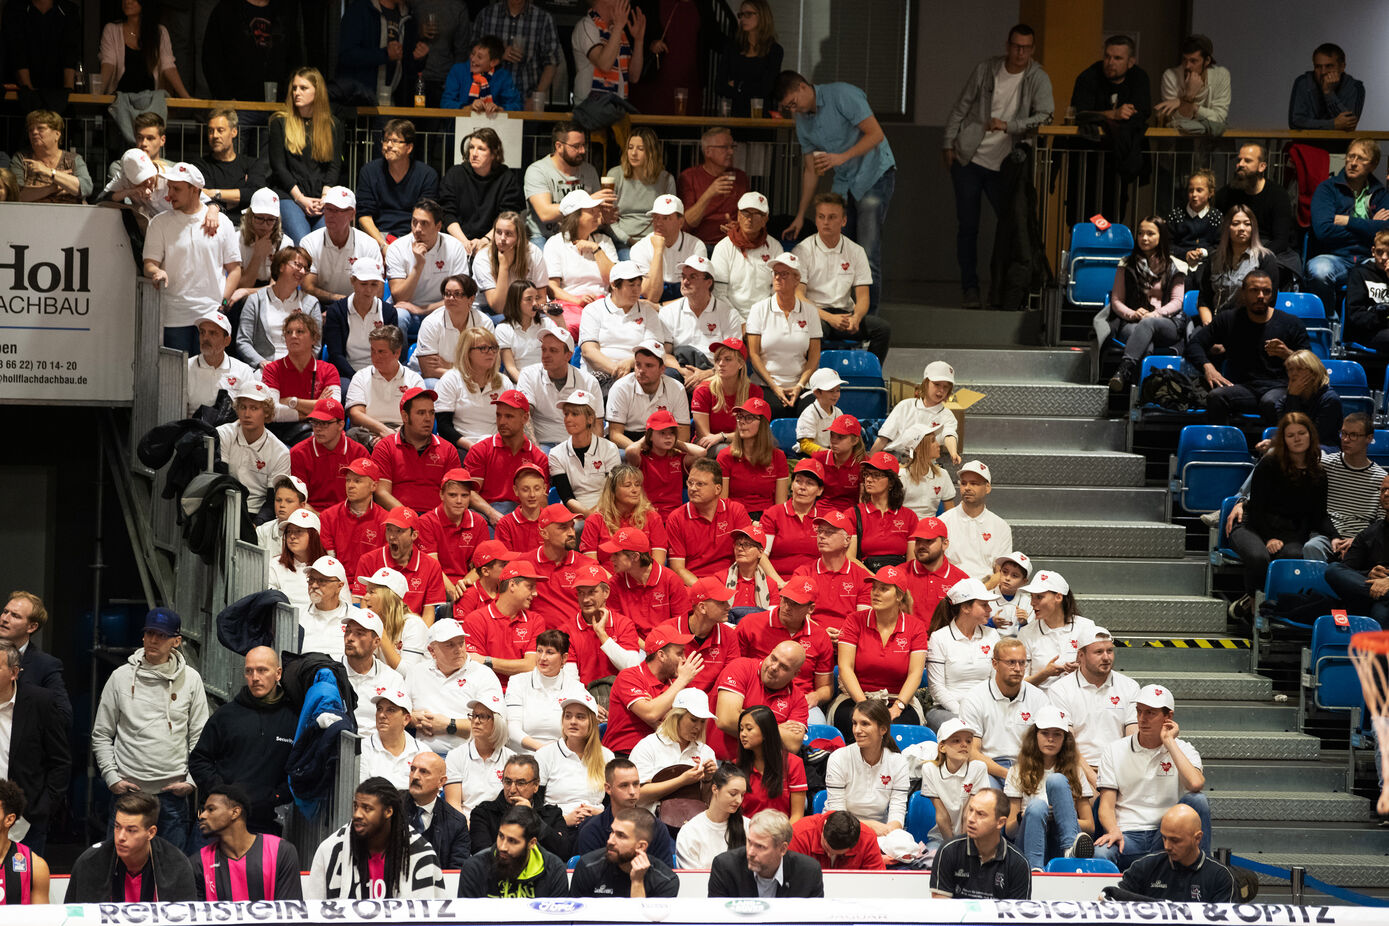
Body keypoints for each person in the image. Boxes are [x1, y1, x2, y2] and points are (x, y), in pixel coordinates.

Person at [942, 24, 1052, 309]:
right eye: (1016, 46)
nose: (1020, 52)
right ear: (1007, 45)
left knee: (1013, 226)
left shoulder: (1037, 77)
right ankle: (970, 288)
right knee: (968, 226)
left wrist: (1010, 125)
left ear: (1033, 49)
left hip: (1006, 165)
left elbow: (1045, 116)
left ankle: (1006, 289)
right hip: (969, 158)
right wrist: (948, 143)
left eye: (1026, 47)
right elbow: (961, 106)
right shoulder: (986, 69)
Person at [92, 608, 208, 852]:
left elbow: (200, 737)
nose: (154, 640)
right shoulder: (120, 677)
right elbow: (102, 733)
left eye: (162, 636)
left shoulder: (191, 679)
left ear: (176, 641)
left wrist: (191, 781)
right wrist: (112, 778)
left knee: (171, 877)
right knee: (117, 870)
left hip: (172, 797)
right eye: (150, 634)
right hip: (127, 793)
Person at [776, 69, 896, 305]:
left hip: (874, 174)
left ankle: (867, 324)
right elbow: (810, 170)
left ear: (802, 87)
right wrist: (800, 215)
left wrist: (842, 157)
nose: (793, 109)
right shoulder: (802, 121)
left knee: (867, 254)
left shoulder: (842, 94)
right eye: (787, 107)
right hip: (845, 182)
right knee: (839, 251)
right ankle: (844, 315)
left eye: (793, 102)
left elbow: (876, 134)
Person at [1094, 684, 1210, 872]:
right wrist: (1113, 829)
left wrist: (1169, 743)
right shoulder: (1114, 750)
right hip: (1127, 835)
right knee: (1100, 854)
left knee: (1198, 800)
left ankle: (1203, 876)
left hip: (1167, 835)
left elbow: (1196, 784)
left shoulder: (1184, 749)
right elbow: (1105, 805)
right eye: (1139, 712)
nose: (1142, 719)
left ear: (1168, 717)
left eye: (1150, 713)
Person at [1226, 413, 1331, 619]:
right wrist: (1269, 538)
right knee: (1259, 557)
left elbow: (1316, 516)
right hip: (1252, 525)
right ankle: (1254, 604)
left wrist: (1335, 537)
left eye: (1302, 433)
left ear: (1311, 436)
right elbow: (1256, 508)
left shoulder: (1318, 473)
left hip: (1290, 531)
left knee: (1292, 556)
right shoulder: (1269, 464)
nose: (1297, 438)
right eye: (1290, 435)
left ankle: (1272, 607)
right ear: (1283, 439)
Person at [187, 647, 297, 834]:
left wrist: (275, 796)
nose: (255, 677)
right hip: (218, 822)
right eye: (249, 671)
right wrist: (222, 792)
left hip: (263, 824)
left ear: (278, 673)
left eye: (262, 670)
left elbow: (298, 770)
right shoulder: (227, 715)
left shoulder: (292, 719)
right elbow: (199, 760)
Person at [1187, 270, 1310, 425]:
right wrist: (1208, 368)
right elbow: (1194, 345)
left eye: (1266, 291)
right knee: (1216, 396)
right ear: (1243, 293)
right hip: (1244, 388)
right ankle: (1222, 445)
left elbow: (1311, 363)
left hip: (1280, 387)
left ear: (1272, 295)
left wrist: (1289, 354)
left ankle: (1277, 447)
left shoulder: (1291, 323)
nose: (1260, 296)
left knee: (1270, 402)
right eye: (1254, 290)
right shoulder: (1228, 319)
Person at [143, 163, 242, 352]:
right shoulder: (159, 223)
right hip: (173, 316)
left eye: (177, 189)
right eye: (169, 187)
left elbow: (235, 269)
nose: (169, 194)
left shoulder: (223, 223)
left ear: (195, 190)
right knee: (173, 377)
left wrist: (222, 303)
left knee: (208, 375)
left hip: (210, 315)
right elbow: (149, 264)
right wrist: (156, 272)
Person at [792, 192, 891, 361]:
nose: (825, 222)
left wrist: (856, 317)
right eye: (821, 217)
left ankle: (869, 374)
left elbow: (863, 297)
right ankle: (810, 380)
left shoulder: (856, 251)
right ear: (816, 219)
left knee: (882, 329)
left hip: (845, 313)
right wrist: (829, 318)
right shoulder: (803, 250)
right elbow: (798, 295)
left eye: (832, 217)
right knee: (814, 331)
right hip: (817, 314)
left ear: (843, 221)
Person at [307, 777, 443, 899]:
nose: (357, 815)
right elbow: (313, 912)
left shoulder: (420, 852)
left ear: (388, 812)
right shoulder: (330, 850)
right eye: (356, 807)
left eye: (367, 808)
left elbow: (430, 915)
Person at [1068, 35, 1150, 221]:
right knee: (1082, 210)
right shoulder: (1089, 76)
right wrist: (1112, 114)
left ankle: (1110, 246)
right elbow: (1080, 113)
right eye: (1107, 56)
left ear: (1130, 62)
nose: (1110, 62)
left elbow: (1143, 111)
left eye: (1117, 58)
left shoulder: (1139, 78)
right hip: (1087, 157)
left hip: (1119, 158)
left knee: (1114, 211)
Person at [1045, 626, 1138, 789]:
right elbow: (1068, 745)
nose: (1106, 657)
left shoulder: (1130, 687)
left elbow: (1133, 738)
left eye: (1110, 651)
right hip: (1077, 768)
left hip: (1119, 768)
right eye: (1099, 652)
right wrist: (1096, 781)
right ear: (1081, 655)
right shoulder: (1060, 689)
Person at [1003, 705, 1096, 870]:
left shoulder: (1076, 771)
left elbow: (1090, 826)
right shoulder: (1017, 771)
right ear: (1035, 736)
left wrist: (1061, 816)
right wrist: (1024, 816)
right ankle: (1034, 868)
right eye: (1045, 733)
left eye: (1057, 734)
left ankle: (1070, 850)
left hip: (1060, 837)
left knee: (1057, 780)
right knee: (1037, 807)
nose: (1050, 739)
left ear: (1064, 739)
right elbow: (1010, 831)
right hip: (1028, 836)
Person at [834, 568, 927, 732]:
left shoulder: (915, 627)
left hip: (898, 699)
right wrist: (864, 705)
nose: (875, 593)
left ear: (899, 596)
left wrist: (898, 706)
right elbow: (844, 667)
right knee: (854, 723)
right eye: (874, 588)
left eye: (883, 589)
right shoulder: (854, 621)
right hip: (856, 697)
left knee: (897, 728)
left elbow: (916, 674)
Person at [1308, 138, 1389, 319]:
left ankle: (1372, 325)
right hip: (1335, 257)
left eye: (1361, 158)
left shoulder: (1381, 194)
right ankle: (1329, 322)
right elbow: (1324, 231)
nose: (1353, 163)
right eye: (1350, 156)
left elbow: (1387, 231)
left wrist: (1348, 221)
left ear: (1374, 164)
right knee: (1318, 270)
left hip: (1371, 258)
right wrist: (1370, 228)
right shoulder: (1327, 189)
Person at [67, 791, 198, 902]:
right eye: (117, 827)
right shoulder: (91, 862)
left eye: (131, 830)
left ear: (151, 832)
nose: (120, 837)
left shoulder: (176, 864)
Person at [1105, 215, 1186, 393]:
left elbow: (1177, 301)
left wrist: (1155, 315)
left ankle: (1123, 371)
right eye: (1141, 233)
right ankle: (1141, 395)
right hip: (1133, 322)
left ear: (1161, 237)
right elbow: (1117, 300)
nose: (1144, 238)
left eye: (1150, 233)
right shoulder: (1126, 264)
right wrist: (1132, 314)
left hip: (1167, 323)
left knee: (1148, 323)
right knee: (1145, 343)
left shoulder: (1176, 266)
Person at [959, 637, 1050, 788]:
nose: (1018, 668)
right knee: (989, 797)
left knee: (1038, 807)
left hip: (1028, 766)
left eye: (1022, 662)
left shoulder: (1039, 698)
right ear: (995, 664)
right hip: (990, 769)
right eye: (1011, 662)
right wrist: (1008, 774)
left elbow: (1046, 746)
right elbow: (972, 753)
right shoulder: (974, 698)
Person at [267, 67, 344, 244]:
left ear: (317, 93)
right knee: (303, 241)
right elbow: (279, 167)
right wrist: (301, 199)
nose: (297, 93)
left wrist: (325, 198)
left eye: (303, 88)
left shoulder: (333, 125)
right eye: (294, 88)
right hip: (290, 195)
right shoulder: (280, 122)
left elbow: (334, 167)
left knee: (324, 241)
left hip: (320, 197)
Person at [406, 617, 504, 754]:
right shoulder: (416, 672)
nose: (459, 649)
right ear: (432, 651)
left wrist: (449, 725)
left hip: (470, 757)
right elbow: (399, 713)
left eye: (461, 643)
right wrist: (411, 718)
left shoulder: (483, 674)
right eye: (450, 645)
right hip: (421, 756)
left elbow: (496, 726)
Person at [190, 785, 303, 901]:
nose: (202, 816)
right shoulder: (198, 863)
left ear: (235, 812)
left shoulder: (281, 852)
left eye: (211, 809)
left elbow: (290, 912)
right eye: (203, 810)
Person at [603, 624, 704, 754]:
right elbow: (651, 714)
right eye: (679, 653)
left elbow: (681, 729)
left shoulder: (675, 683)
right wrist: (682, 681)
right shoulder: (629, 676)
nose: (684, 659)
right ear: (661, 655)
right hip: (624, 755)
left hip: (664, 755)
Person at [745, 253, 821, 418]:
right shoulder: (759, 309)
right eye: (776, 273)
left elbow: (814, 355)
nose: (778, 278)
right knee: (773, 410)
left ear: (797, 279)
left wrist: (800, 385)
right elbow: (754, 354)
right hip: (765, 385)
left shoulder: (810, 312)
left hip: (801, 386)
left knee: (812, 413)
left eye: (784, 274)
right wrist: (774, 387)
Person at [1212, 143, 1300, 281]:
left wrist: (1251, 257)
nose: (1240, 164)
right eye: (1239, 160)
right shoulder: (1229, 193)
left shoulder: (1278, 195)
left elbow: (1281, 241)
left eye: (1247, 160)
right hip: (1235, 247)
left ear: (1262, 167)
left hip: (1267, 249)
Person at [385, 200, 470, 338]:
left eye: (424, 223)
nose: (417, 229)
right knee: (399, 316)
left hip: (442, 310)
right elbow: (399, 298)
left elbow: (460, 297)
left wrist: (423, 310)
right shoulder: (397, 248)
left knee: (464, 314)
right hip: (407, 310)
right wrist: (418, 265)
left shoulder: (455, 248)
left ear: (438, 226)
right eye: (414, 222)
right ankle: (399, 360)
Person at [925, 578, 1003, 727]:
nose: (990, 610)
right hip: (948, 710)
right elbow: (937, 688)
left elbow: (996, 680)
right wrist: (963, 713)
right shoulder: (940, 637)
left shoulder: (992, 635)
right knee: (963, 727)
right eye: (984, 605)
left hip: (985, 708)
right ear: (966, 608)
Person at [824, 699, 909, 836]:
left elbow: (897, 812)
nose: (857, 730)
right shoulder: (838, 758)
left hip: (882, 831)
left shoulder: (899, 762)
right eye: (854, 723)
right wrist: (871, 827)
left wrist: (891, 832)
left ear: (883, 729)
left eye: (865, 724)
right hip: (840, 831)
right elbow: (837, 815)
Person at [368, 384, 461, 508]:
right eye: (421, 413)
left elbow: (455, 495)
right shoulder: (385, 447)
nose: (428, 418)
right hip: (398, 520)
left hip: (436, 521)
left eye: (431, 412)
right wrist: (408, 517)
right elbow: (381, 493)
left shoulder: (448, 449)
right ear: (405, 417)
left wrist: (431, 522)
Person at [929, 789, 1030, 899]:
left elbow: (1017, 913)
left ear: (1000, 822)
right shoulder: (948, 851)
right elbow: (941, 908)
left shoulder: (1018, 863)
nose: (971, 818)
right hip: (955, 916)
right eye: (971, 810)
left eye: (980, 814)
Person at [459, 559, 545, 688]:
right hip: (486, 693)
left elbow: (531, 665)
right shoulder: (476, 619)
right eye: (530, 587)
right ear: (512, 585)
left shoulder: (536, 620)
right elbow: (476, 668)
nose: (535, 593)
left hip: (525, 693)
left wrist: (487, 661)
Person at [630, 688, 718, 814]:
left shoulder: (706, 752)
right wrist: (682, 781)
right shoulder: (648, 746)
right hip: (651, 824)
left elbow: (708, 804)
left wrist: (708, 780)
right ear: (676, 717)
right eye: (693, 719)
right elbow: (637, 796)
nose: (698, 727)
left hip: (693, 824)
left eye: (703, 721)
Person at [356, 120, 441, 250]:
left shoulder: (427, 175)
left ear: (409, 147)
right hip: (377, 237)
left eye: (395, 141)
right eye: (385, 140)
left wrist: (402, 246)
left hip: (414, 236)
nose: (388, 145)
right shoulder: (369, 171)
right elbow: (364, 215)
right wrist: (383, 245)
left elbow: (425, 216)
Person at [714, 645, 808, 761]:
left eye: (783, 667)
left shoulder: (798, 699)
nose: (774, 667)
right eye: (773, 658)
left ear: (795, 674)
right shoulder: (741, 667)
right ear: (770, 652)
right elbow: (726, 720)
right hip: (717, 762)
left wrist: (744, 716)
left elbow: (792, 745)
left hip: (761, 769)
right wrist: (774, 726)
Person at [468, 754, 571, 860]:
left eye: (520, 783)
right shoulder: (483, 813)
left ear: (536, 786)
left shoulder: (553, 814)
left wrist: (533, 818)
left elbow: (563, 853)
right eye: (508, 782)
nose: (512, 790)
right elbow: (482, 856)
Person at [667, 458, 754, 584]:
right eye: (690, 483)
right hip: (695, 584)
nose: (693, 488)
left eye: (700, 484)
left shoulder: (736, 511)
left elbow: (749, 556)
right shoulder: (676, 518)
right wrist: (705, 590)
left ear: (717, 489)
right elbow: (678, 569)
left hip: (732, 580)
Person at [352, 504, 448, 616]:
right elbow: (363, 604)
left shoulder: (431, 566)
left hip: (412, 627)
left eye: (399, 531)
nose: (392, 536)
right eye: (389, 530)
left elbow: (429, 612)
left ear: (414, 535)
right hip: (377, 627)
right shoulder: (368, 560)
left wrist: (419, 632)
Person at [201, 0, 300, 108]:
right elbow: (210, 58)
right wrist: (226, 98)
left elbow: (295, 59)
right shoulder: (226, 10)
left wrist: (289, 97)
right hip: (237, 107)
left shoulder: (284, 12)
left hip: (279, 106)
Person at [455, 805, 568, 898]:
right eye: (501, 836)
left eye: (512, 841)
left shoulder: (554, 870)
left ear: (531, 843)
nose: (503, 847)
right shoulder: (475, 868)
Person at [442, 133, 526, 258]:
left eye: (481, 149)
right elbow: (447, 213)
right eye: (471, 147)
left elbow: (509, 216)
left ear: (493, 154)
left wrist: (485, 240)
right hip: (457, 240)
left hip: (494, 241)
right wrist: (464, 242)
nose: (474, 153)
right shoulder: (455, 174)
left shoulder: (506, 177)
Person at [572, 758, 676, 859]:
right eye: (624, 785)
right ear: (608, 788)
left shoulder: (656, 828)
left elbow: (667, 874)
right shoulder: (592, 831)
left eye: (636, 784)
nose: (632, 791)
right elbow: (590, 874)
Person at [707, 809, 823, 897]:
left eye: (760, 846)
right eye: (749, 842)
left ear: (782, 849)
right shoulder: (725, 867)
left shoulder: (808, 872)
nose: (751, 852)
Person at [790, 510, 870, 639]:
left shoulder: (862, 577)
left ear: (847, 541)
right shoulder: (803, 573)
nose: (821, 536)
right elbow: (799, 617)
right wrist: (822, 634)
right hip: (811, 638)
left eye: (829, 532)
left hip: (851, 640)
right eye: (819, 531)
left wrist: (845, 636)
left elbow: (863, 620)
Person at [303, 188, 386, 310]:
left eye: (338, 210)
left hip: (359, 306)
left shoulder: (369, 245)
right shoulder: (309, 242)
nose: (331, 215)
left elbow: (378, 291)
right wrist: (338, 299)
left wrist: (348, 305)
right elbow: (308, 288)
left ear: (352, 214)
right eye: (328, 209)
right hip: (320, 304)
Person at [525, 121, 607, 244]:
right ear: (559, 146)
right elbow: (545, 213)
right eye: (576, 146)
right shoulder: (538, 171)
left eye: (584, 145)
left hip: (581, 235)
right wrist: (586, 202)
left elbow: (596, 214)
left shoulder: (589, 170)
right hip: (543, 236)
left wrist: (606, 217)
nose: (582, 151)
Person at [1195, 205, 1279, 324]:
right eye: (1235, 224)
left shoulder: (1265, 258)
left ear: (1253, 228)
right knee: (1195, 340)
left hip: (1250, 325)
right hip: (1216, 323)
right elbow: (1204, 299)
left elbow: (1269, 302)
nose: (1241, 228)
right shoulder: (1214, 258)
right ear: (1227, 228)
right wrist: (1210, 327)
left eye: (1247, 224)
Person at [433, 327, 514, 449]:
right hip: (461, 445)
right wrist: (472, 447)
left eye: (493, 348)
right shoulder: (451, 379)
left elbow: (512, 423)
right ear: (467, 353)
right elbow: (444, 426)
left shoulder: (504, 382)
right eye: (483, 348)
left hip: (496, 446)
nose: (491, 352)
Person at [548, 191, 621, 325]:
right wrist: (577, 300)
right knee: (574, 325)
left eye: (597, 210)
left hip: (603, 303)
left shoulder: (604, 241)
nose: (597, 214)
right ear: (575, 217)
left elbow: (614, 280)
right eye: (591, 211)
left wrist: (595, 248)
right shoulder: (555, 243)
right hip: (570, 304)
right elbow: (552, 288)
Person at [570, 807, 678, 897]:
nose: (610, 841)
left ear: (641, 846)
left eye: (621, 836)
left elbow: (641, 922)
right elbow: (576, 919)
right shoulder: (588, 866)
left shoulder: (665, 881)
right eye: (612, 832)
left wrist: (637, 882)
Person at [711, 191, 783, 322]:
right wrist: (740, 322)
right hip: (730, 318)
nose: (750, 219)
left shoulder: (775, 247)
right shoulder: (723, 247)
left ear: (765, 219)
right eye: (746, 213)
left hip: (766, 317)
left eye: (756, 214)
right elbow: (718, 294)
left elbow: (778, 292)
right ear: (738, 216)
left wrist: (762, 320)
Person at [0, 591, 71, 726]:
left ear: (32, 627)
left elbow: (63, 716)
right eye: (5, 612)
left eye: (15, 616)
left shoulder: (45, 664)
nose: (4, 618)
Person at [1015, 570, 1094, 689]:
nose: (1032, 603)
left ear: (1058, 597)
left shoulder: (1086, 627)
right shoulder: (1026, 633)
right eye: (1031, 597)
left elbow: (1099, 672)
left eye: (1039, 597)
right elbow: (1019, 684)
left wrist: (1082, 670)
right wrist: (1045, 673)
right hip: (1040, 702)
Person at [602, 527, 685, 640]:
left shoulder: (671, 580)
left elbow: (681, 625)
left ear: (635, 557)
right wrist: (647, 648)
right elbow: (619, 628)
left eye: (616, 554)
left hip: (667, 646)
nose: (611, 559)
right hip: (633, 646)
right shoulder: (614, 584)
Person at [871, 360, 961, 464]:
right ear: (926, 383)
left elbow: (949, 435)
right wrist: (869, 459)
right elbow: (884, 437)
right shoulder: (905, 406)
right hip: (894, 460)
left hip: (925, 463)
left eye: (946, 387)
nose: (941, 390)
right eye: (937, 384)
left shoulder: (947, 415)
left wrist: (953, 453)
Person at [920, 718, 990, 849]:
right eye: (956, 740)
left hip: (972, 836)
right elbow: (942, 815)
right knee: (934, 860)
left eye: (969, 741)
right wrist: (952, 848)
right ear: (942, 747)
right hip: (942, 837)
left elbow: (968, 814)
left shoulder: (978, 768)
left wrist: (962, 848)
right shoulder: (929, 769)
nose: (964, 744)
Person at [416, 468, 488, 593]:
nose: (459, 501)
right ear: (441, 495)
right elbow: (432, 567)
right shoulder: (426, 522)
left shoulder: (479, 522)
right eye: (453, 495)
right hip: (434, 586)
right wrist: (454, 592)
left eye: (464, 495)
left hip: (467, 586)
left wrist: (463, 589)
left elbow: (481, 566)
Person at [550, 392, 623, 516]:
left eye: (575, 414)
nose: (568, 419)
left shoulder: (609, 448)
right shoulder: (556, 454)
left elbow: (611, 491)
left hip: (607, 508)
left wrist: (596, 517)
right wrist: (589, 516)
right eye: (566, 414)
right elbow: (567, 497)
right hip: (574, 513)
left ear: (590, 418)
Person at [442, 691, 514, 816]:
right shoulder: (456, 756)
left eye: (483, 716)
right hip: (465, 826)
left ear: (498, 721)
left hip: (502, 827)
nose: (476, 721)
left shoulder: (512, 759)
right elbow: (453, 805)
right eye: (474, 715)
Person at [97, 0, 190, 96]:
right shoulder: (112, 30)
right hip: (120, 99)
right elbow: (108, 63)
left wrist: (187, 98)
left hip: (151, 100)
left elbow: (168, 66)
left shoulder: (159, 32)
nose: (127, 1)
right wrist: (96, 95)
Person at [337, 0, 420, 107]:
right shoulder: (360, 10)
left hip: (393, 102)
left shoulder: (408, 18)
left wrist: (419, 58)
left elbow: (408, 66)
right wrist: (384, 55)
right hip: (358, 101)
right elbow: (346, 55)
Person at [938, 461, 1012, 581]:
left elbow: (1001, 572)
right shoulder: (943, 521)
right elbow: (936, 566)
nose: (967, 488)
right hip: (951, 587)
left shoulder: (1001, 527)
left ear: (987, 487)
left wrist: (983, 591)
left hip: (987, 590)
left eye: (974, 483)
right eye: (963, 483)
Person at [290, 398, 368, 511]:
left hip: (348, 514)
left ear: (341, 425)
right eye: (315, 422)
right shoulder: (298, 453)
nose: (318, 429)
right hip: (311, 516)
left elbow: (363, 499)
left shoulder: (359, 453)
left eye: (325, 423)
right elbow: (298, 500)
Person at [679, 127, 751, 249]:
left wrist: (739, 227)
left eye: (732, 147)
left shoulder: (740, 177)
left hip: (733, 244)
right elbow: (686, 223)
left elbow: (750, 217)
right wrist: (710, 193)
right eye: (725, 147)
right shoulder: (689, 177)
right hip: (699, 245)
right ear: (708, 152)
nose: (731, 152)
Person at [603, 340, 688, 444]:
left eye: (649, 366)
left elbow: (684, 432)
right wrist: (641, 453)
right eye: (638, 364)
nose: (641, 371)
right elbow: (615, 434)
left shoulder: (677, 388)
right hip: (628, 440)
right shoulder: (620, 387)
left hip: (663, 439)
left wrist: (665, 452)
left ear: (662, 369)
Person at [580, 466, 668, 564]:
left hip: (643, 577)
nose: (635, 490)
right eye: (627, 485)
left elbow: (658, 563)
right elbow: (591, 566)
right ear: (613, 490)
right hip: (606, 577)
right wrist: (612, 579)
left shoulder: (652, 517)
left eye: (637, 484)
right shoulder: (595, 520)